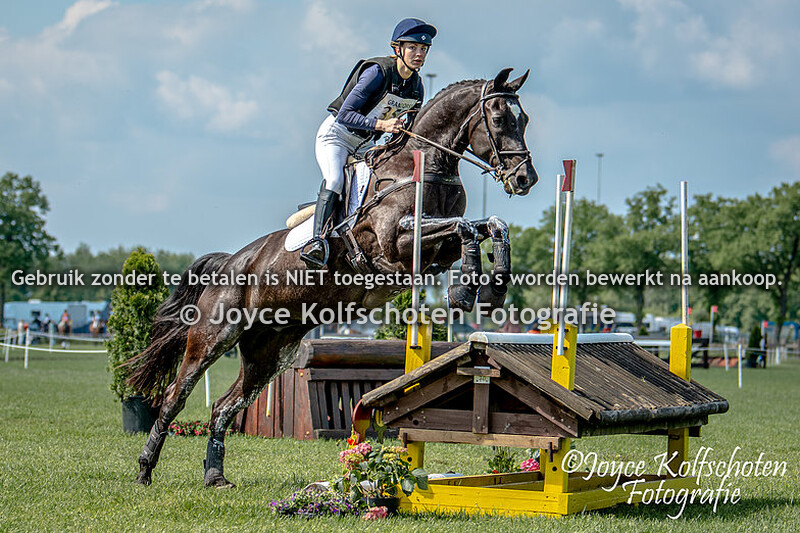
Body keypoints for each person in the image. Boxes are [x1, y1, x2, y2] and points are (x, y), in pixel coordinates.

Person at [300, 17, 437, 269]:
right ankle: (316, 242)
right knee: (335, 181)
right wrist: (383, 126)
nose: (419, 54)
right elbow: (345, 115)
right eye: (413, 48)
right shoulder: (378, 72)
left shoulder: (416, 87)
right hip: (337, 135)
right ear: (398, 49)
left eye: (423, 49)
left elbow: (409, 129)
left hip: (365, 146)